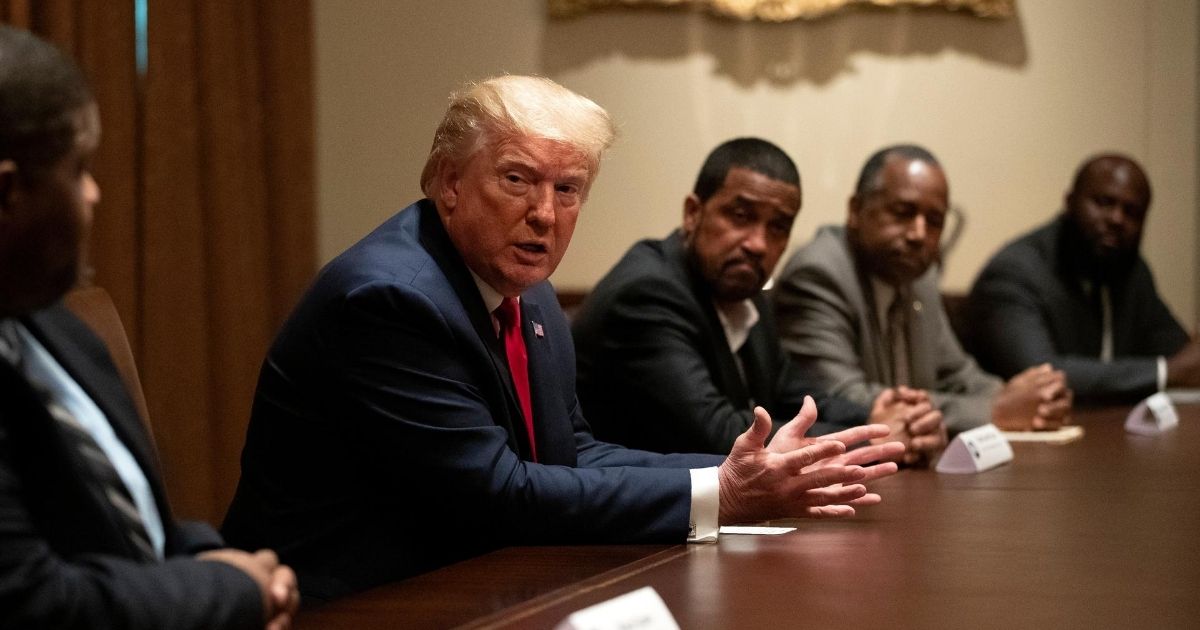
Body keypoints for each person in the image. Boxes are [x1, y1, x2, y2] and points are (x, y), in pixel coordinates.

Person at [221, 77, 903, 602]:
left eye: (568, 189)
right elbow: (497, 494)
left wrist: (733, 471)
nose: (544, 214)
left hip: (475, 582)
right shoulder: (389, 299)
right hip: (348, 602)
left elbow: (571, 449)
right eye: (517, 179)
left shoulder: (529, 292)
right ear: (448, 182)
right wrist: (719, 494)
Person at [0, 26, 298, 629]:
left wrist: (208, 557)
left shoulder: (56, 327)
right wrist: (226, 590)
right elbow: (31, 602)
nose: (94, 193)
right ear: (7, 191)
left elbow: (130, 524)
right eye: (79, 168)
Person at [573, 138, 945, 465]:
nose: (758, 244)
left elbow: (793, 395)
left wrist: (878, 415)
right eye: (740, 216)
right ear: (692, 213)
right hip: (620, 535)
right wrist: (876, 437)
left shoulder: (743, 289)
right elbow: (722, 435)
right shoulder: (647, 294)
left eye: (778, 227)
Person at [773, 144, 1073, 433]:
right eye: (903, 212)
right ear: (855, 210)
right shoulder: (818, 273)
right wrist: (995, 411)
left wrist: (1032, 398)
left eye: (934, 221)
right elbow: (843, 398)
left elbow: (957, 374)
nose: (919, 234)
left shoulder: (919, 277)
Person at [968, 154, 1199, 403]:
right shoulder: (1014, 272)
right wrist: (1165, 373)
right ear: (1069, 202)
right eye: (1103, 202)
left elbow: (1182, 357)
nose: (1117, 219)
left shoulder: (1130, 270)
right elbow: (1042, 378)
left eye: (1132, 212)